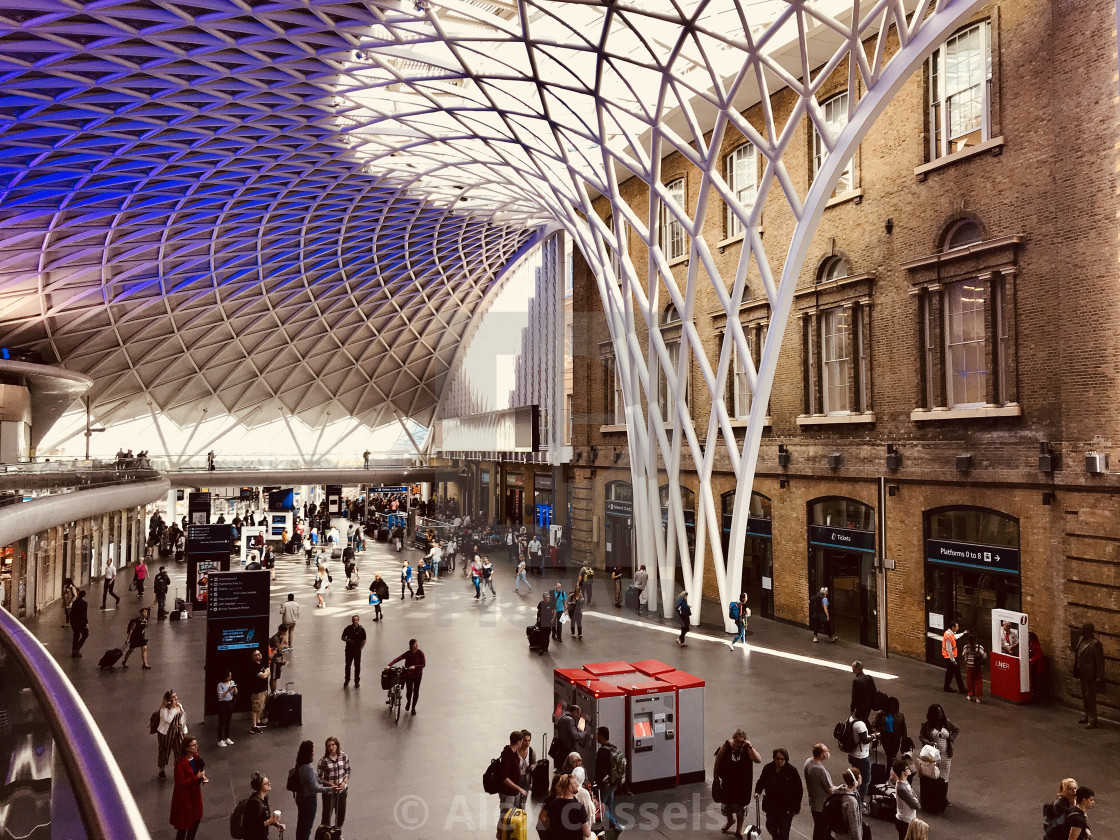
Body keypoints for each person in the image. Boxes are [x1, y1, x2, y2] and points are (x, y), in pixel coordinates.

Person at [713, 728, 762, 837]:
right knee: (727, 805)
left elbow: (758, 760)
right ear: (733, 739)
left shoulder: (747, 749)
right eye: (738, 741)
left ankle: (739, 828)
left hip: (743, 784)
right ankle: (730, 820)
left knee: (741, 807)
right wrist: (715, 775)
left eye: (742, 741)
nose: (740, 744)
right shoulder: (726, 745)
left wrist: (750, 746)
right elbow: (718, 759)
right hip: (728, 782)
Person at [754, 747, 802, 840]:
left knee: (784, 833)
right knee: (770, 826)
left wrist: (796, 807)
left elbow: (798, 789)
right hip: (771, 806)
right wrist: (758, 791)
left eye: (782, 759)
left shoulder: (791, 771)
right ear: (774, 758)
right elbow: (761, 781)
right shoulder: (768, 768)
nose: (780, 761)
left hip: (786, 808)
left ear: (786, 759)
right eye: (777, 758)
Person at [293, 739, 334, 840]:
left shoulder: (299, 764)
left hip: (300, 797)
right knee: (307, 826)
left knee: (301, 824)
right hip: (308, 800)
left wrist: (325, 782)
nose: (314, 751)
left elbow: (312, 780)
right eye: (313, 749)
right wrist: (330, 789)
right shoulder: (308, 768)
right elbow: (315, 788)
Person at [169, 736, 208, 840]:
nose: (196, 747)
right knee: (184, 826)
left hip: (195, 796)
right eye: (193, 745)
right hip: (185, 800)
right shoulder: (180, 765)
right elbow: (180, 783)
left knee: (195, 823)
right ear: (187, 748)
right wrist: (197, 777)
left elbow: (197, 772)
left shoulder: (196, 758)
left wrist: (201, 778)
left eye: (196, 744)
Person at [918, 703, 958, 801]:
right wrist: (929, 742)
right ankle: (934, 796)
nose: (940, 714)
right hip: (932, 755)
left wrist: (952, 739)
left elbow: (956, 729)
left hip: (945, 755)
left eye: (941, 712)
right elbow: (921, 736)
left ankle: (944, 797)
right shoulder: (926, 725)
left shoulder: (947, 723)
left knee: (944, 776)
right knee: (933, 775)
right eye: (937, 712)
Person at [1074, 622, 1106, 729]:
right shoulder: (1081, 640)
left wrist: (1099, 676)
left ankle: (1093, 719)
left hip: (1090, 674)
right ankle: (1086, 714)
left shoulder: (1095, 643)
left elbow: (1100, 661)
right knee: (1084, 695)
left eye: (1082, 628)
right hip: (1082, 672)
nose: (1080, 629)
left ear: (1088, 630)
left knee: (1090, 696)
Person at [594, 726, 624, 837]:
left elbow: (600, 770)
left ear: (601, 736)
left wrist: (597, 782)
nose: (596, 737)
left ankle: (616, 826)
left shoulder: (601, 751)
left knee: (598, 806)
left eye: (597, 735)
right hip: (614, 783)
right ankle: (611, 832)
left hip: (605, 785)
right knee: (608, 807)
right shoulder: (613, 748)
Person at [542, 773, 592, 839]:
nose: (577, 784)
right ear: (570, 787)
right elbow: (587, 833)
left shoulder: (554, 803)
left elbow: (547, 823)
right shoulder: (579, 807)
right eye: (575, 783)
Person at [317, 736, 350, 832]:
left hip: (342, 790)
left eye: (333, 745)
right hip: (329, 792)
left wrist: (344, 782)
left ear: (337, 745)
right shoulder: (323, 761)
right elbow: (319, 777)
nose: (331, 747)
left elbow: (348, 771)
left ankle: (337, 832)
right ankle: (325, 834)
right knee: (327, 814)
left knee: (341, 813)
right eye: (329, 746)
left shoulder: (344, 756)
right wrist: (330, 785)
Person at [803, 743, 834, 840]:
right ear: (822, 755)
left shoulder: (808, 762)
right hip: (822, 805)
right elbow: (830, 791)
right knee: (823, 830)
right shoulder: (820, 770)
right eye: (826, 751)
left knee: (818, 829)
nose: (828, 751)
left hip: (813, 802)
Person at [241, 773, 284, 840]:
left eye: (269, 781)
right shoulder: (254, 803)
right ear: (260, 786)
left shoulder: (264, 797)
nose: (269, 783)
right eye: (266, 783)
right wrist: (269, 821)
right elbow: (251, 826)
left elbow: (263, 818)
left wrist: (276, 824)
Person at [388, 638, 426, 715]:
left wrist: (415, 666)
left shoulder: (420, 653)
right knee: (409, 691)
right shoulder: (408, 653)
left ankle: (413, 708)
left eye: (417, 644)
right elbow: (398, 658)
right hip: (409, 675)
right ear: (411, 646)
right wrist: (389, 665)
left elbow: (423, 664)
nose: (416, 645)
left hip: (418, 675)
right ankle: (408, 701)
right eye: (415, 644)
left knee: (416, 691)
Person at [156, 689, 188, 780]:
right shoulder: (164, 709)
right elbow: (168, 720)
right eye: (173, 697)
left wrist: (184, 731)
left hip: (178, 731)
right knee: (164, 751)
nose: (176, 698)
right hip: (167, 733)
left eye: (176, 696)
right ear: (169, 699)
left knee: (179, 751)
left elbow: (183, 719)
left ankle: (179, 770)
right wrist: (173, 710)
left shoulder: (180, 706)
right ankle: (161, 770)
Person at [498, 730, 530, 809]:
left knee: (513, 816)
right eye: (522, 741)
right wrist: (519, 789)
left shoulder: (514, 752)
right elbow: (505, 779)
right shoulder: (507, 756)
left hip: (514, 792)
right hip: (508, 793)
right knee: (506, 817)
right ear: (519, 742)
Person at [891, 758, 920, 840]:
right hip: (905, 821)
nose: (909, 769)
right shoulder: (902, 788)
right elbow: (916, 805)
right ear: (902, 772)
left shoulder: (905, 782)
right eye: (907, 768)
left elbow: (914, 796)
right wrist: (915, 800)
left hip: (907, 819)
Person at [831, 768, 864, 840]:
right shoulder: (851, 801)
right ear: (854, 782)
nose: (861, 777)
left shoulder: (839, 793)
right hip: (847, 837)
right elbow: (854, 825)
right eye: (859, 777)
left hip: (837, 834)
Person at [873, 697, 907, 764]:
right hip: (885, 737)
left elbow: (904, 729)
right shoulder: (881, 714)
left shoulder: (900, 715)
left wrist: (904, 740)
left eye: (894, 707)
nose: (893, 709)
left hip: (896, 738)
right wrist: (877, 734)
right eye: (891, 707)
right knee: (890, 756)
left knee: (892, 756)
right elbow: (875, 726)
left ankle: (889, 771)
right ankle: (890, 771)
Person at [941, 619, 966, 694]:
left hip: (950, 657)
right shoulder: (948, 636)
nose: (958, 628)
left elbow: (955, 637)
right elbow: (949, 650)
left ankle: (947, 687)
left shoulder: (949, 633)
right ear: (952, 627)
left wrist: (963, 633)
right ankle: (961, 689)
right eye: (957, 627)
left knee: (950, 673)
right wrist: (953, 660)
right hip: (951, 658)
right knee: (957, 673)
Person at [341, 614, 367, 687]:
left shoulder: (361, 630)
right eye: (354, 620)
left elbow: (364, 640)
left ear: (358, 621)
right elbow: (342, 637)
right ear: (352, 620)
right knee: (348, 665)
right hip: (349, 650)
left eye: (356, 620)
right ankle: (347, 680)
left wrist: (360, 648)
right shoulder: (348, 628)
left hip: (357, 651)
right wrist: (347, 640)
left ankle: (356, 681)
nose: (355, 621)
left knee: (357, 666)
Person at [248, 648, 270, 734]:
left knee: (261, 707)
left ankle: (258, 721)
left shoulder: (262, 663)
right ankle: (254, 726)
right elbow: (264, 675)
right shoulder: (253, 666)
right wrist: (266, 672)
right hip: (257, 690)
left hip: (263, 689)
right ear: (253, 657)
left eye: (259, 653)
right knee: (255, 708)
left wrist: (266, 672)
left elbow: (268, 670)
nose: (259, 655)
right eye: (257, 654)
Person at [961, 634, 987, 703]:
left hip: (969, 666)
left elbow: (963, 654)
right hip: (978, 667)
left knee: (970, 681)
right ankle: (978, 698)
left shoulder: (966, 647)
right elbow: (984, 656)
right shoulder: (979, 647)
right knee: (978, 681)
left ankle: (970, 695)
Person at [217, 670, 237, 747]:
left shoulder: (231, 682)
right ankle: (220, 739)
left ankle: (227, 737)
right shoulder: (220, 685)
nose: (230, 677)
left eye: (230, 676)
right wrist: (228, 690)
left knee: (228, 720)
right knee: (222, 721)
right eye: (229, 676)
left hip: (230, 702)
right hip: (223, 703)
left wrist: (234, 688)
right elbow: (220, 696)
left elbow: (235, 693)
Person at [69, 589, 90, 657]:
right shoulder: (84, 603)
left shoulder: (75, 602)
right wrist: (86, 623)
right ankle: (77, 648)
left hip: (73, 622)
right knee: (85, 634)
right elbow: (84, 614)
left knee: (76, 636)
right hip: (80, 623)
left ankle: (74, 652)